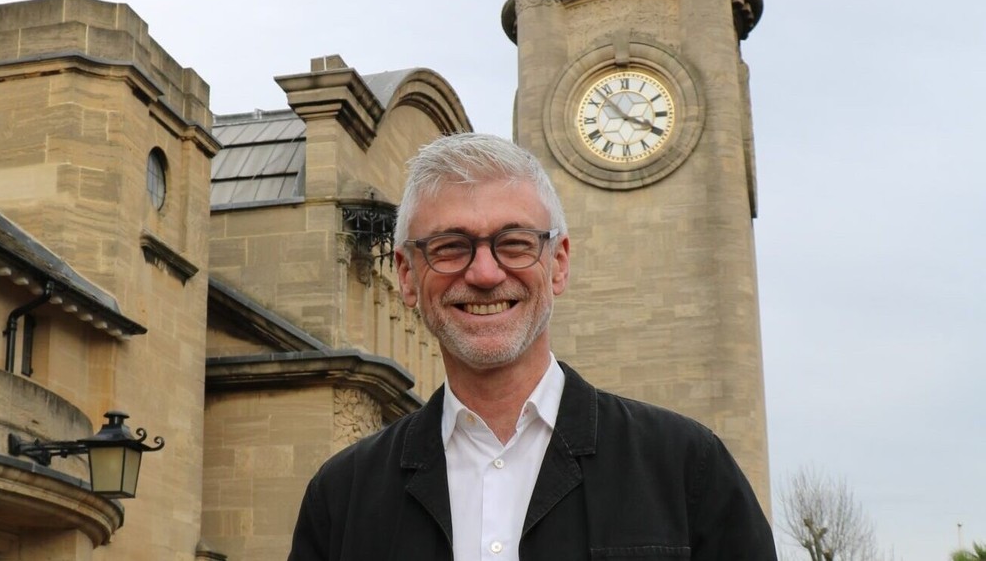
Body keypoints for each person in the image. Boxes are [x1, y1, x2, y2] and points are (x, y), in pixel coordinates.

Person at [287, 132, 777, 561]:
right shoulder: (341, 498)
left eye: (516, 243)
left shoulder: (688, 469)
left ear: (558, 263)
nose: (483, 273)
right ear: (407, 275)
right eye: (449, 247)